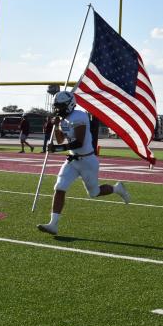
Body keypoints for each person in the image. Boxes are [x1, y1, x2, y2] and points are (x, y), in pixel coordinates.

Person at [37, 91, 130, 235]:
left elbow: (78, 143)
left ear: (69, 105)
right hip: (73, 160)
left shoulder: (79, 116)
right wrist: (56, 126)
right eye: (56, 106)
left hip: (87, 161)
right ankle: (53, 224)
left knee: (94, 193)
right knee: (59, 187)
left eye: (60, 106)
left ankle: (117, 189)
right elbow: (61, 139)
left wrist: (57, 148)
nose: (57, 109)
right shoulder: (63, 118)